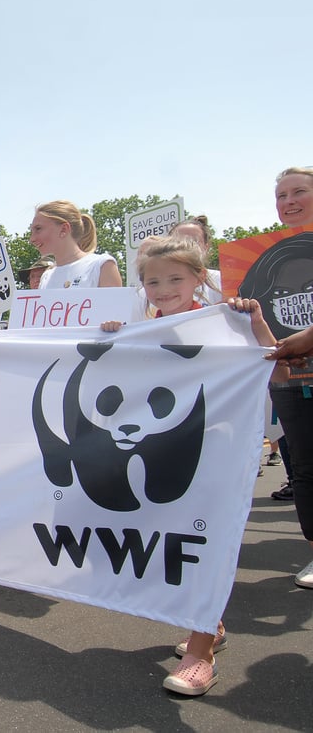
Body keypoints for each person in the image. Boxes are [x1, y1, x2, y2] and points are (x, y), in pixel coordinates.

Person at [102, 236, 284, 696]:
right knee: (179, 546)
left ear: (199, 278)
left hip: (219, 454)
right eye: (152, 281)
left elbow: (278, 373)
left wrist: (259, 325)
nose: (163, 289)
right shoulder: (139, 329)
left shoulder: (231, 320)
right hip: (166, 461)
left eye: (175, 278)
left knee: (210, 541)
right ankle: (211, 620)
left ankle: (200, 654)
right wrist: (109, 340)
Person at [260, 167, 313, 590]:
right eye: (281, 195)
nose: (288, 201)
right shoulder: (260, 260)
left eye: (299, 192)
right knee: (307, 468)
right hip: (289, 380)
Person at [30, 200, 122, 288]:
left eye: (38, 229)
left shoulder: (102, 266)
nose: (32, 239)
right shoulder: (46, 277)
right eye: (32, 231)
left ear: (64, 229)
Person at [169, 215, 223, 305]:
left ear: (206, 247)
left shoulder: (222, 280)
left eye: (194, 241)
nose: (186, 246)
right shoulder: (156, 287)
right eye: (178, 241)